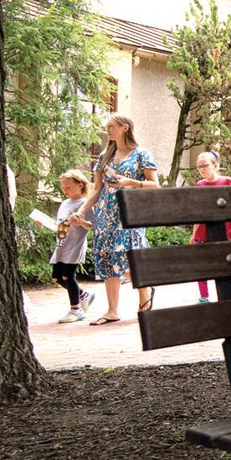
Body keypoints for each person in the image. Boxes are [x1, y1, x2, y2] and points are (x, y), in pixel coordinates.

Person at [79, 114, 157, 325]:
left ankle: (145, 292)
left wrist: (129, 182)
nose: (108, 131)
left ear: (124, 128)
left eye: (111, 127)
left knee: (131, 259)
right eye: (107, 128)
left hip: (129, 214)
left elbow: (154, 184)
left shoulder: (141, 154)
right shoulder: (105, 155)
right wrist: (83, 210)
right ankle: (112, 311)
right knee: (108, 259)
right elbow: (97, 189)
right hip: (106, 215)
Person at [192, 151, 231, 303]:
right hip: (202, 233)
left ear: (215, 166)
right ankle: (203, 297)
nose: (202, 169)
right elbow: (198, 212)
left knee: (227, 262)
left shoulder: (226, 181)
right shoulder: (199, 185)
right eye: (199, 167)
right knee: (201, 265)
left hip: (224, 231)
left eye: (205, 165)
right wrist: (194, 233)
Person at [51, 169, 96, 322]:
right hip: (61, 245)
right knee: (57, 278)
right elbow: (61, 223)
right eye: (63, 188)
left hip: (75, 246)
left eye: (68, 187)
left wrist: (81, 222)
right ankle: (84, 295)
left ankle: (76, 309)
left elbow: (92, 225)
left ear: (80, 185)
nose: (65, 191)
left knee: (67, 276)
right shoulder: (64, 203)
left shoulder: (85, 203)